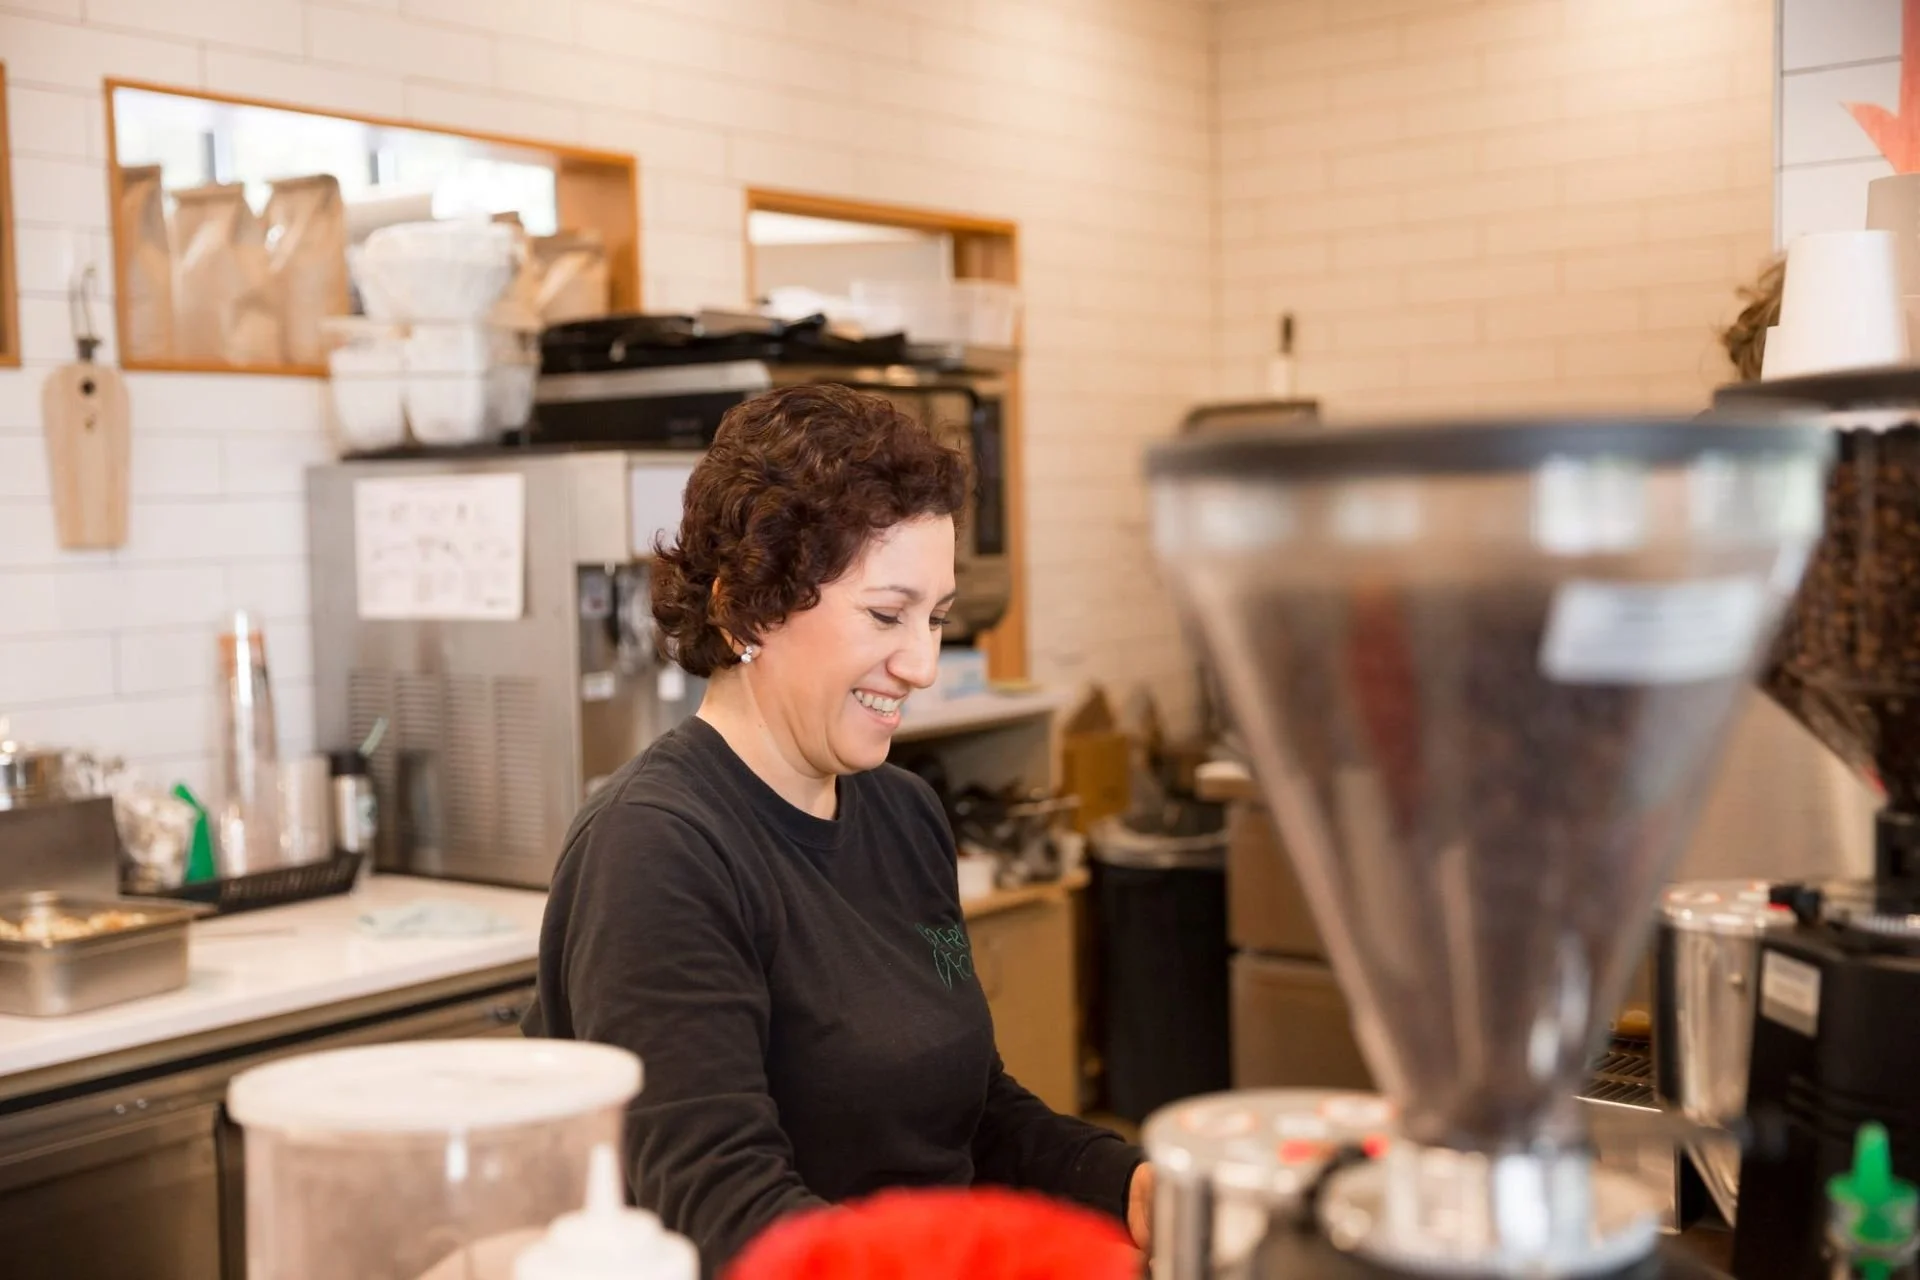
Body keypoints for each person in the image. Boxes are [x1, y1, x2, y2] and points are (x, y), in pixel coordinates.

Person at [522, 384, 1151, 1273]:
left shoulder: (901, 813)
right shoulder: (656, 851)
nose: (922, 664)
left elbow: (972, 1114)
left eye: (935, 619)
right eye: (886, 615)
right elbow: (724, 1209)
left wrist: (1126, 1187)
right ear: (748, 606)